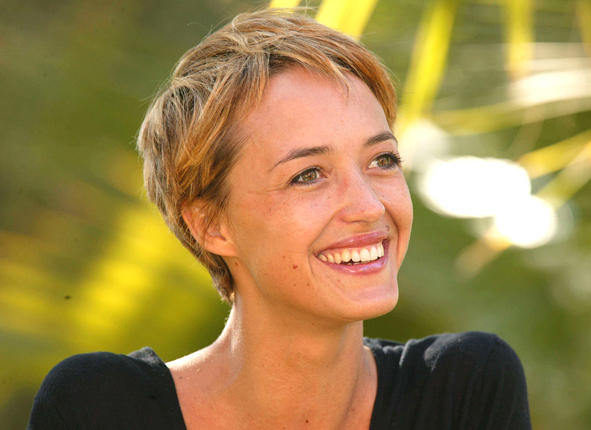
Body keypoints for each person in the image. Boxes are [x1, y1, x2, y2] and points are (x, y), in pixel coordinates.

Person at [28, 9, 531, 430]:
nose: (370, 206)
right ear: (211, 225)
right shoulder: (100, 410)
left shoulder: (464, 390)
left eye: (382, 160)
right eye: (308, 175)